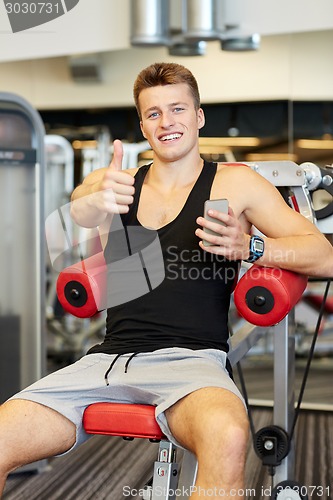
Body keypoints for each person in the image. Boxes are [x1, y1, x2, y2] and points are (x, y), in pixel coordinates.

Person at [0, 62, 332, 499]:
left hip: (192, 362)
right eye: (153, 113)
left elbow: (324, 256)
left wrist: (251, 249)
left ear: (199, 116)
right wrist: (90, 201)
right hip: (107, 361)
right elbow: (82, 203)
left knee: (229, 435)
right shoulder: (119, 182)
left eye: (177, 109)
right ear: (142, 124)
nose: (166, 121)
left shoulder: (235, 183)